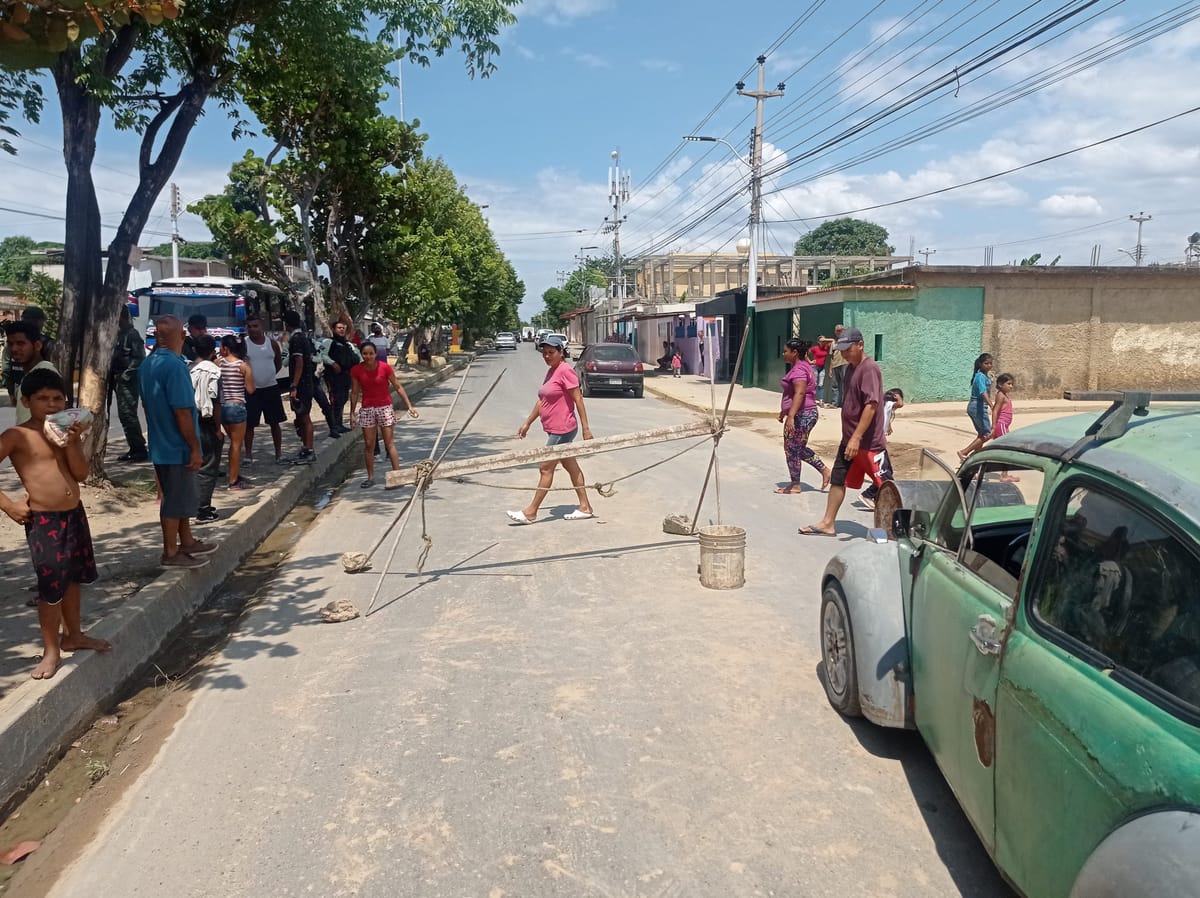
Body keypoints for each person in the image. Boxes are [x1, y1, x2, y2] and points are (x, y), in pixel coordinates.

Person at [0, 368, 112, 680]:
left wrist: (72, 443)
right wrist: (8, 505)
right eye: (42, 399)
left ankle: (73, 635)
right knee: (51, 589)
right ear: (26, 401)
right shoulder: (17, 436)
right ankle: (51, 650)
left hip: (74, 515)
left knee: (73, 578)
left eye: (57, 398)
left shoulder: (64, 432)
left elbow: (80, 474)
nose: (51, 405)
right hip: (44, 520)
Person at [138, 315, 217, 568]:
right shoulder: (175, 366)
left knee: (180, 497)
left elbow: (147, 405)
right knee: (174, 501)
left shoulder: (147, 364)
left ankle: (187, 541)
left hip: (160, 442)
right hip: (177, 445)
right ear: (183, 336)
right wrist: (194, 448)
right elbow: (182, 411)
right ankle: (170, 553)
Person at [800, 327, 885, 536]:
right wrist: (850, 437)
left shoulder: (869, 369)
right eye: (842, 350)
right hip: (849, 439)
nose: (844, 354)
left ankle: (893, 531)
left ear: (860, 345)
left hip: (868, 443)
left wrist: (856, 437)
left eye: (848, 349)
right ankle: (828, 523)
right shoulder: (850, 369)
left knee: (886, 487)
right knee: (838, 479)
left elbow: (871, 405)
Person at [506, 334, 595, 524]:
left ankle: (531, 512)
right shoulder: (552, 371)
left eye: (551, 352)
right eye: (544, 352)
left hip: (563, 429)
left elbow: (578, 399)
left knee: (545, 468)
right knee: (571, 466)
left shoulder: (565, 371)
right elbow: (543, 400)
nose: (547, 356)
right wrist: (528, 422)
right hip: (554, 428)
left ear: (561, 352)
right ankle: (585, 507)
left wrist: (586, 429)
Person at [348, 340, 419, 488]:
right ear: (361, 354)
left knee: (389, 443)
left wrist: (409, 406)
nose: (368, 357)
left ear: (376, 354)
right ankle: (370, 477)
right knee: (369, 445)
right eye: (365, 354)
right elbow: (354, 393)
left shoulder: (385, 368)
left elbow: (398, 386)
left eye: (371, 353)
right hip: (367, 409)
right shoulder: (356, 370)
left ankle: (397, 475)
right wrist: (352, 413)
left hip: (385, 408)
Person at [775, 338, 829, 494]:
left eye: (786, 351)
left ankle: (800, 482)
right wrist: (785, 411)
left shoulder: (799, 370)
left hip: (803, 414)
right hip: (804, 413)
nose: (783, 354)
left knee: (793, 448)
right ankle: (801, 481)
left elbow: (800, 393)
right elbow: (792, 394)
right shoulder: (804, 366)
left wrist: (791, 416)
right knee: (795, 448)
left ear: (794, 352)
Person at [188, 335, 224, 523]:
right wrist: (218, 429)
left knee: (191, 466)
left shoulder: (186, 369)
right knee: (208, 466)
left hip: (187, 422)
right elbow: (216, 403)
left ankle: (191, 505)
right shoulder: (214, 372)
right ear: (213, 351)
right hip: (206, 423)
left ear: (194, 350)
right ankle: (203, 510)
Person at [242, 315, 286, 465]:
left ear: (262, 326)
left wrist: (269, 375)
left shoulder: (272, 344)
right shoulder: (244, 344)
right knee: (249, 424)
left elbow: (278, 363)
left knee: (275, 423)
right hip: (251, 391)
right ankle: (248, 455)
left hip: (271, 388)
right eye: (249, 326)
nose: (252, 329)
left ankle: (278, 454)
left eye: (255, 326)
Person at [110, 305, 148, 462]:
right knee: (124, 415)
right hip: (116, 378)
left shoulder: (132, 335)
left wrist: (126, 375)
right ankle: (134, 447)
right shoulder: (118, 334)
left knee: (128, 414)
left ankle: (139, 449)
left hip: (127, 380)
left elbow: (139, 358)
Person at [3, 321, 58, 426]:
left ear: (37, 345)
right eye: (10, 344)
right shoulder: (31, 373)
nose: (14, 349)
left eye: (20, 343)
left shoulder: (44, 373)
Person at [218, 334, 255, 490]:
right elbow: (251, 389)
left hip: (222, 407)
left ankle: (235, 474)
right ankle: (233, 481)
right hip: (237, 406)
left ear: (226, 348)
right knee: (236, 444)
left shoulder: (218, 363)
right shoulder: (243, 366)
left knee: (232, 442)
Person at [861, 387, 905, 510]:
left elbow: (885, 417)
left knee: (887, 471)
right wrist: (898, 397)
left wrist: (888, 425)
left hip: (878, 444)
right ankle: (867, 495)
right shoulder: (888, 404)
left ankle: (876, 496)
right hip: (876, 446)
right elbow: (900, 404)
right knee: (885, 474)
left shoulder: (883, 405)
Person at [283, 310, 317, 464]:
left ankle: (309, 450)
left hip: (302, 385)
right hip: (306, 383)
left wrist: (294, 385)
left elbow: (299, 363)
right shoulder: (302, 337)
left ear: (286, 324)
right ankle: (305, 448)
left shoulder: (296, 339)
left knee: (304, 417)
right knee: (300, 417)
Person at [319, 319, 358, 433]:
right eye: (339, 328)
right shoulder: (329, 342)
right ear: (333, 329)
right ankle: (334, 426)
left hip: (345, 376)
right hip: (333, 377)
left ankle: (339, 424)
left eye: (343, 328)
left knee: (343, 399)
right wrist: (333, 363)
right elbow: (321, 354)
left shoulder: (347, 344)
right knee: (335, 400)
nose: (342, 330)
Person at [959, 353, 995, 460]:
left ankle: (975, 458)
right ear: (980, 364)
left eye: (990, 363)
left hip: (977, 407)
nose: (989, 365)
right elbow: (983, 392)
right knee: (987, 434)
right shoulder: (980, 377)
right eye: (986, 363)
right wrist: (992, 405)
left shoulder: (984, 376)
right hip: (977, 407)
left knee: (982, 434)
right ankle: (964, 452)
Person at [990, 374, 1020, 483]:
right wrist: (994, 426)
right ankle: (1004, 475)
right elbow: (995, 410)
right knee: (1007, 449)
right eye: (1008, 384)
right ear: (1000, 384)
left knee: (1005, 449)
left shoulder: (1004, 395)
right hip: (1001, 425)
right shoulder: (1001, 396)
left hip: (1004, 426)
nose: (1011, 386)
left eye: (1012, 384)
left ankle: (1004, 473)